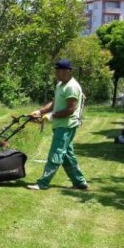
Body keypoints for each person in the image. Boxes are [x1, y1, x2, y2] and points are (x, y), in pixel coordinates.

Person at [28, 59, 88, 191]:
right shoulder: (60, 85)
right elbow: (54, 103)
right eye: (56, 70)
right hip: (60, 124)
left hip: (66, 125)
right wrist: (40, 111)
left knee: (56, 153)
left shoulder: (72, 87)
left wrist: (49, 116)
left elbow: (70, 110)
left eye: (58, 71)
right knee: (67, 155)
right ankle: (80, 182)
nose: (56, 73)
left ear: (68, 71)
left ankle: (43, 183)